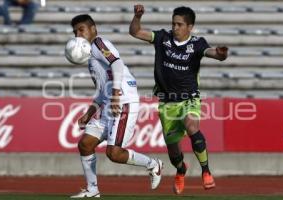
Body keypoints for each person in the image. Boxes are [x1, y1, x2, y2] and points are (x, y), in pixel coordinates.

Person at [130, 5, 228, 195]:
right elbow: (134, 32)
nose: (175, 27)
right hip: (167, 103)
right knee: (174, 152)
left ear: (190, 27)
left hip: (189, 98)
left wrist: (221, 54)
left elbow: (212, 53)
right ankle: (181, 169)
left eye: (179, 24)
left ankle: (206, 171)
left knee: (192, 127)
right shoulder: (162, 38)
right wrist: (137, 16)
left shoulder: (198, 44)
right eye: (173, 23)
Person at [69, 14, 163, 198]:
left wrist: (116, 93)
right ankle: (92, 189)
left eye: (81, 30)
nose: (78, 35)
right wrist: (89, 112)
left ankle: (153, 164)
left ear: (93, 29)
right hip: (108, 104)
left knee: (114, 153)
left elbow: (117, 64)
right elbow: (100, 91)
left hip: (122, 101)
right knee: (85, 144)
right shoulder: (90, 58)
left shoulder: (98, 43)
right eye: (75, 32)